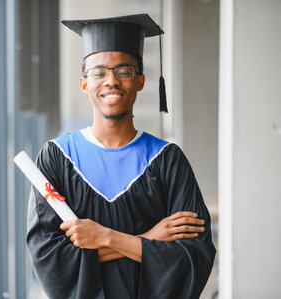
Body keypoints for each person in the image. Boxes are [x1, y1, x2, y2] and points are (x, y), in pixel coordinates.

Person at [26, 14, 216, 299]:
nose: (111, 81)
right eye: (99, 72)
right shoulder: (56, 158)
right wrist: (148, 240)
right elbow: (51, 261)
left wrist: (105, 237)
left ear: (140, 81)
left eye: (124, 71)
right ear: (84, 83)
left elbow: (194, 256)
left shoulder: (167, 160)